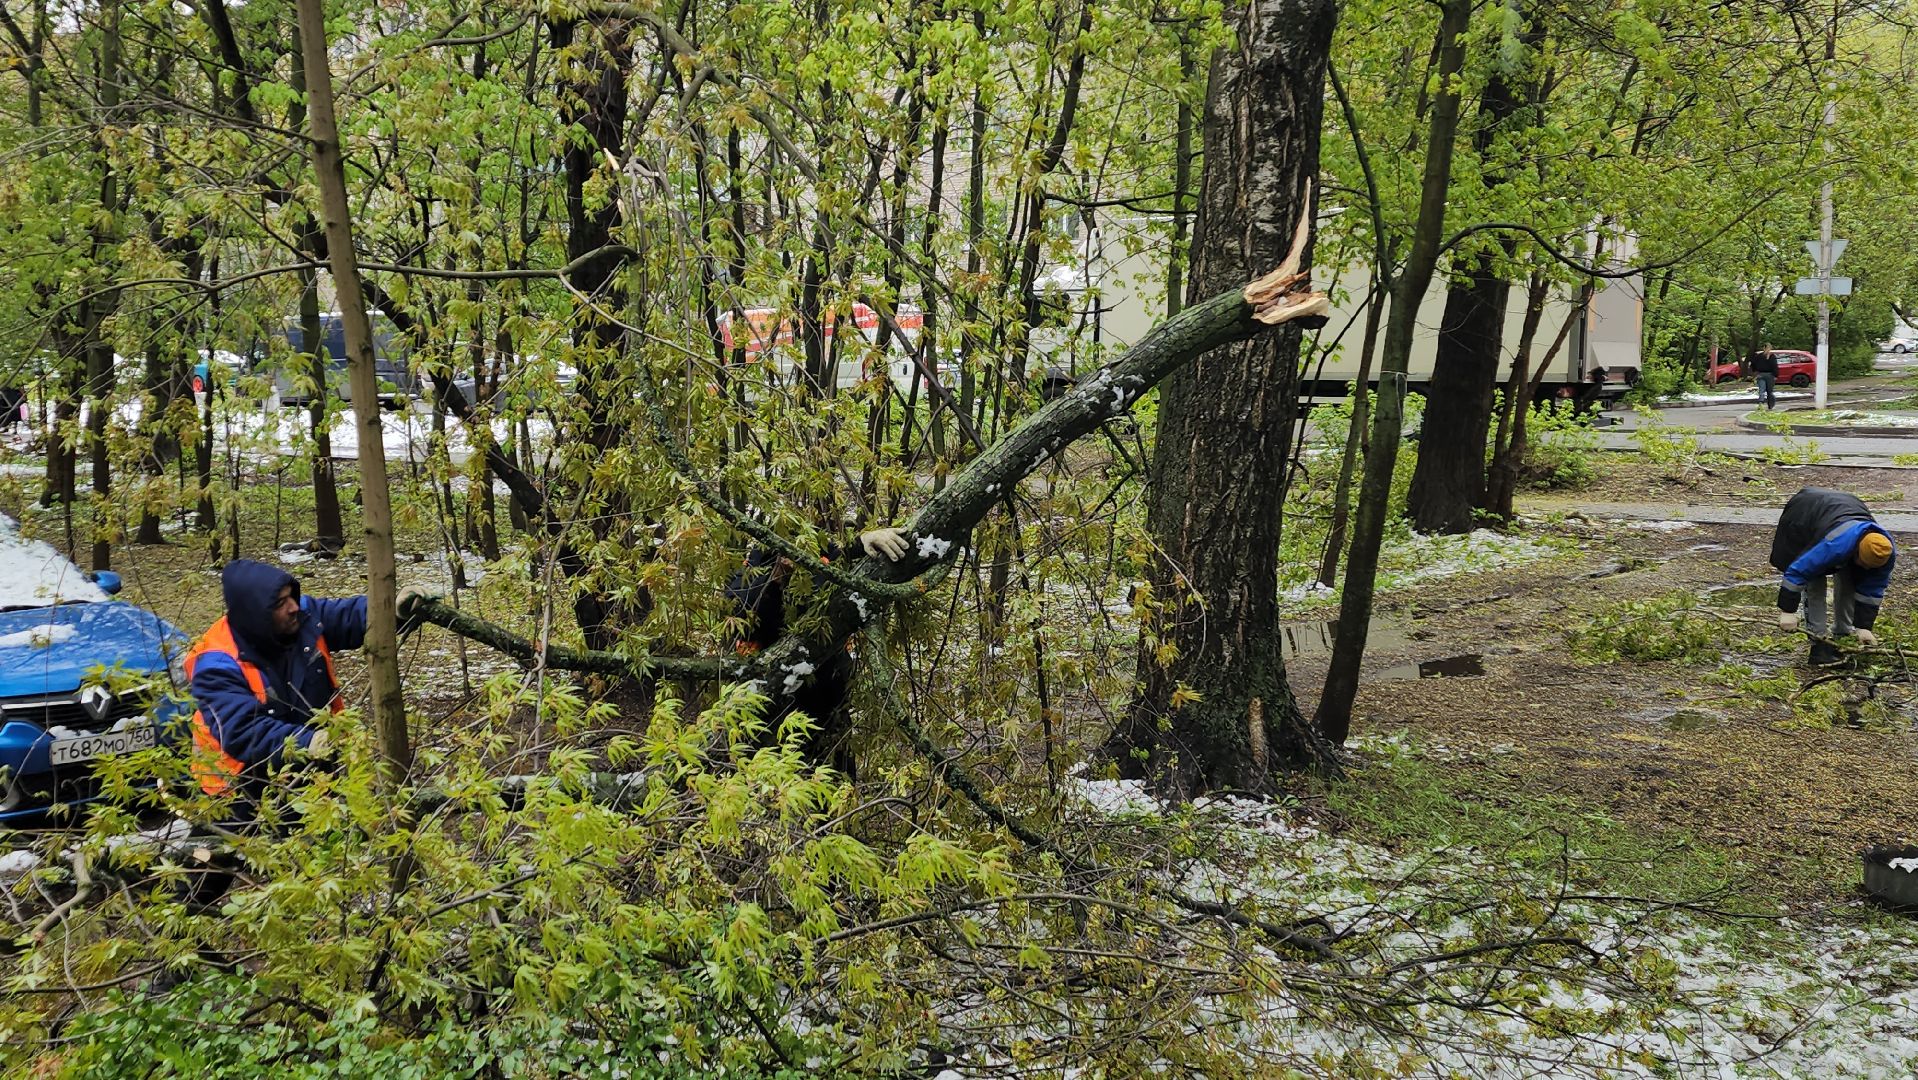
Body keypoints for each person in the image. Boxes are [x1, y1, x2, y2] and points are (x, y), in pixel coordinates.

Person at [184, 559, 437, 802]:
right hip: (240, 793)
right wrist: (308, 742)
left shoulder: (303, 616)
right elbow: (242, 732)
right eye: (280, 603)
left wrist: (392, 610)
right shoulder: (216, 664)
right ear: (256, 614)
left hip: (309, 776)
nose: (293, 606)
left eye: (291, 597)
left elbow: (349, 616)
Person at [725, 526, 909, 776]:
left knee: (836, 783)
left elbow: (844, 558)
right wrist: (774, 581)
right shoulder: (760, 560)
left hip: (828, 705)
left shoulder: (823, 551)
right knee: (769, 787)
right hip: (769, 711)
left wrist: (863, 541)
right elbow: (739, 610)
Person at [1771, 487, 1896, 667]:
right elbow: (1799, 571)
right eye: (1864, 563)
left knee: (1851, 579)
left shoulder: (1884, 551)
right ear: (1856, 551)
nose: (1867, 568)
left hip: (1840, 512)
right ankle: (1819, 642)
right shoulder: (1833, 545)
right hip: (1803, 517)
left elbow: (1872, 589)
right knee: (1815, 583)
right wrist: (1787, 611)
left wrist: (1864, 627)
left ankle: (1843, 635)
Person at [1747, 344, 1778, 410]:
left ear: (1763, 348)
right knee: (1770, 391)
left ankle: (1760, 404)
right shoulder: (1772, 356)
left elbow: (1753, 363)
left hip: (1760, 374)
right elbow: (1774, 366)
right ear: (1770, 348)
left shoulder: (1759, 356)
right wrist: (1775, 375)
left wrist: (1754, 371)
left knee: (1761, 390)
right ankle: (1770, 405)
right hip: (1769, 375)